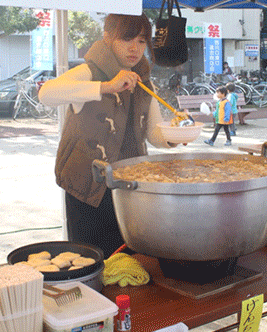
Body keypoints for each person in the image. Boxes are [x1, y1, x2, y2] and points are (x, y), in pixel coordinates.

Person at [38, 13, 175, 258]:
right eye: (126, 39)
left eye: (142, 41)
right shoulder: (89, 72)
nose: (135, 49)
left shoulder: (144, 82)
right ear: (107, 38)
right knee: (91, 260)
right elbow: (46, 94)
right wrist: (106, 87)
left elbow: (153, 133)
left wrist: (175, 134)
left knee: (130, 259)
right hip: (87, 190)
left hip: (129, 188)